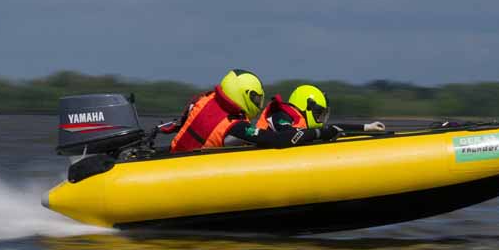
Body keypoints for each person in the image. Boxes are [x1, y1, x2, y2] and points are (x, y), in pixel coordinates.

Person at [160, 70, 343, 152]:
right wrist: (321, 132)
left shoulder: (206, 101)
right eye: (256, 98)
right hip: (188, 167)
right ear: (243, 95)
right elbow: (278, 140)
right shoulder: (233, 125)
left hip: (178, 154)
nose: (259, 104)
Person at [256, 84, 385, 134]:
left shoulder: (297, 120)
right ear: (308, 106)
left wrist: (368, 127)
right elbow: (289, 134)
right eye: (318, 113)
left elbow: (336, 127)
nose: (319, 118)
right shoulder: (281, 115)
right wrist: (318, 134)